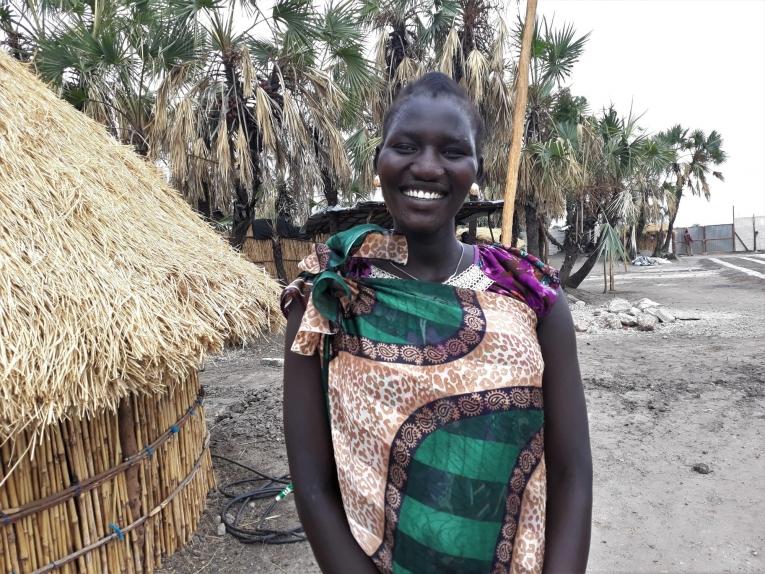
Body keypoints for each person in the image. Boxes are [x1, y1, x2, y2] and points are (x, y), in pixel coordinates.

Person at [281, 72, 592, 574]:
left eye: (451, 151)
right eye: (406, 146)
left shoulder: (531, 296)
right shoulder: (329, 293)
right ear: (379, 159)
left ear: (476, 168)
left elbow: (573, 471)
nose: (427, 167)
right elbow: (313, 484)